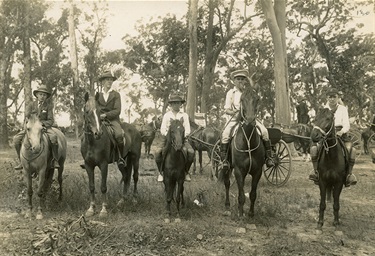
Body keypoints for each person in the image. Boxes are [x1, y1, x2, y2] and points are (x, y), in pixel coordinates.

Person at [220, 69, 274, 169]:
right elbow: (226, 109)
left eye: (242, 79)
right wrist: (234, 112)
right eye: (238, 79)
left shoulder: (249, 92)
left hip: (250, 118)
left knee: (264, 131)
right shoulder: (231, 93)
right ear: (234, 81)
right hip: (235, 119)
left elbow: (256, 104)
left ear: (245, 81)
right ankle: (225, 161)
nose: (240, 81)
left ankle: (268, 158)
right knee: (226, 134)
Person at [308, 88, 357, 186]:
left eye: (334, 97)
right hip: (326, 134)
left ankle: (349, 175)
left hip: (340, 133)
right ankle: (316, 172)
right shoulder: (323, 110)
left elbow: (347, 124)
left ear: (338, 98)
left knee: (351, 149)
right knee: (314, 149)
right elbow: (318, 123)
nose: (332, 99)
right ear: (327, 98)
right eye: (330, 97)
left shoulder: (343, 109)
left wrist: (342, 131)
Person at [80, 70, 126, 168]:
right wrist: (97, 116)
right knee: (84, 136)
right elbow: (95, 108)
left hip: (112, 120)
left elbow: (117, 110)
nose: (109, 82)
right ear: (103, 82)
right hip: (99, 120)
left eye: (111, 80)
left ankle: (120, 157)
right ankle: (87, 158)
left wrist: (106, 115)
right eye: (107, 80)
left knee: (118, 135)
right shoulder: (98, 95)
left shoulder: (116, 95)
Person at [13, 85, 60, 170]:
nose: (42, 96)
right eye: (41, 94)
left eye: (44, 95)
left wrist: (41, 124)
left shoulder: (48, 106)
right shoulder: (31, 105)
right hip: (31, 128)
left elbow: (50, 120)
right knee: (16, 139)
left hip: (43, 127)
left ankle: (55, 160)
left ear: (46, 97)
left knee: (53, 137)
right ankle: (21, 161)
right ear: (37, 95)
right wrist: (29, 121)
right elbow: (27, 117)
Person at [155, 93, 195, 182]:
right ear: (171, 105)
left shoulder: (184, 115)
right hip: (167, 139)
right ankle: (161, 172)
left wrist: (181, 137)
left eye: (177, 103)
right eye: (173, 103)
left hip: (182, 139)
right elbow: (162, 129)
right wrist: (168, 136)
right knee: (158, 152)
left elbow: (187, 129)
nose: (176, 105)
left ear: (180, 104)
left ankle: (186, 172)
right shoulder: (167, 115)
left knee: (191, 152)